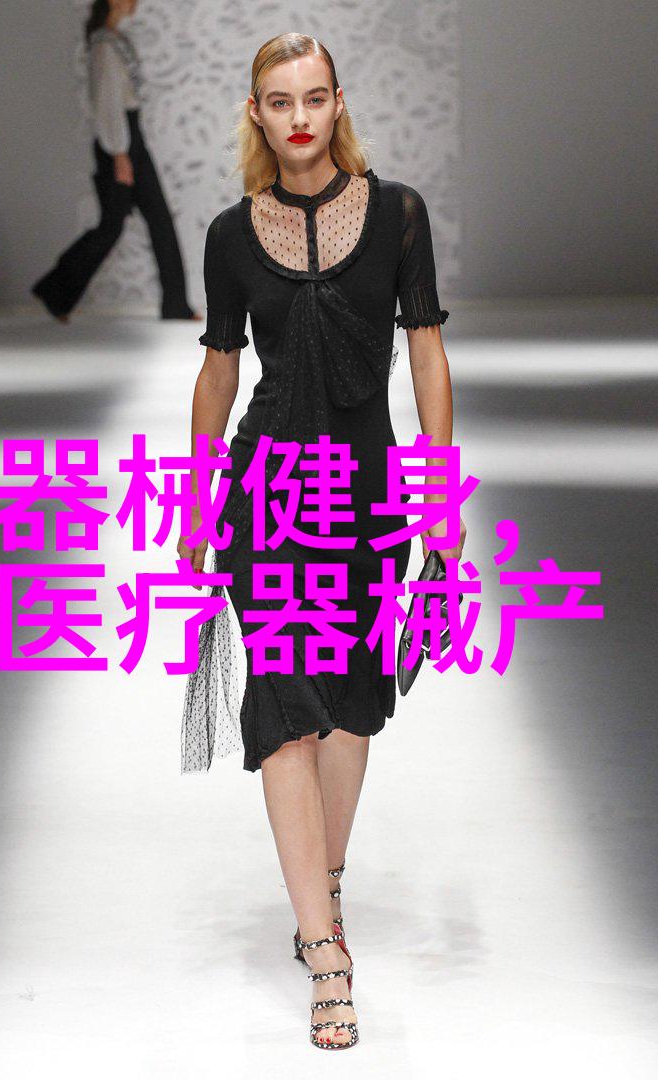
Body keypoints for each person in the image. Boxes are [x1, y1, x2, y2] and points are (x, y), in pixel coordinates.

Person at [178, 33, 466, 1050]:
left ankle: (324, 888)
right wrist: (198, 496)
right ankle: (325, 952)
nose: (297, 117)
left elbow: (426, 353)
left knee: (350, 710)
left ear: (337, 103)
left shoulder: (398, 216)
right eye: (278, 100)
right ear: (256, 114)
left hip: (370, 495)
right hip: (270, 494)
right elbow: (219, 369)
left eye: (312, 97)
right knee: (285, 710)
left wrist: (441, 487)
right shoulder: (228, 234)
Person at [31, 0, 198, 322]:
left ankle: (176, 305)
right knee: (112, 226)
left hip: (130, 138)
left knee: (158, 220)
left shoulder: (114, 40)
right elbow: (106, 105)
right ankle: (55, 290)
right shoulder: (104, 46)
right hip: (119, 143)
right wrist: (120, 154)